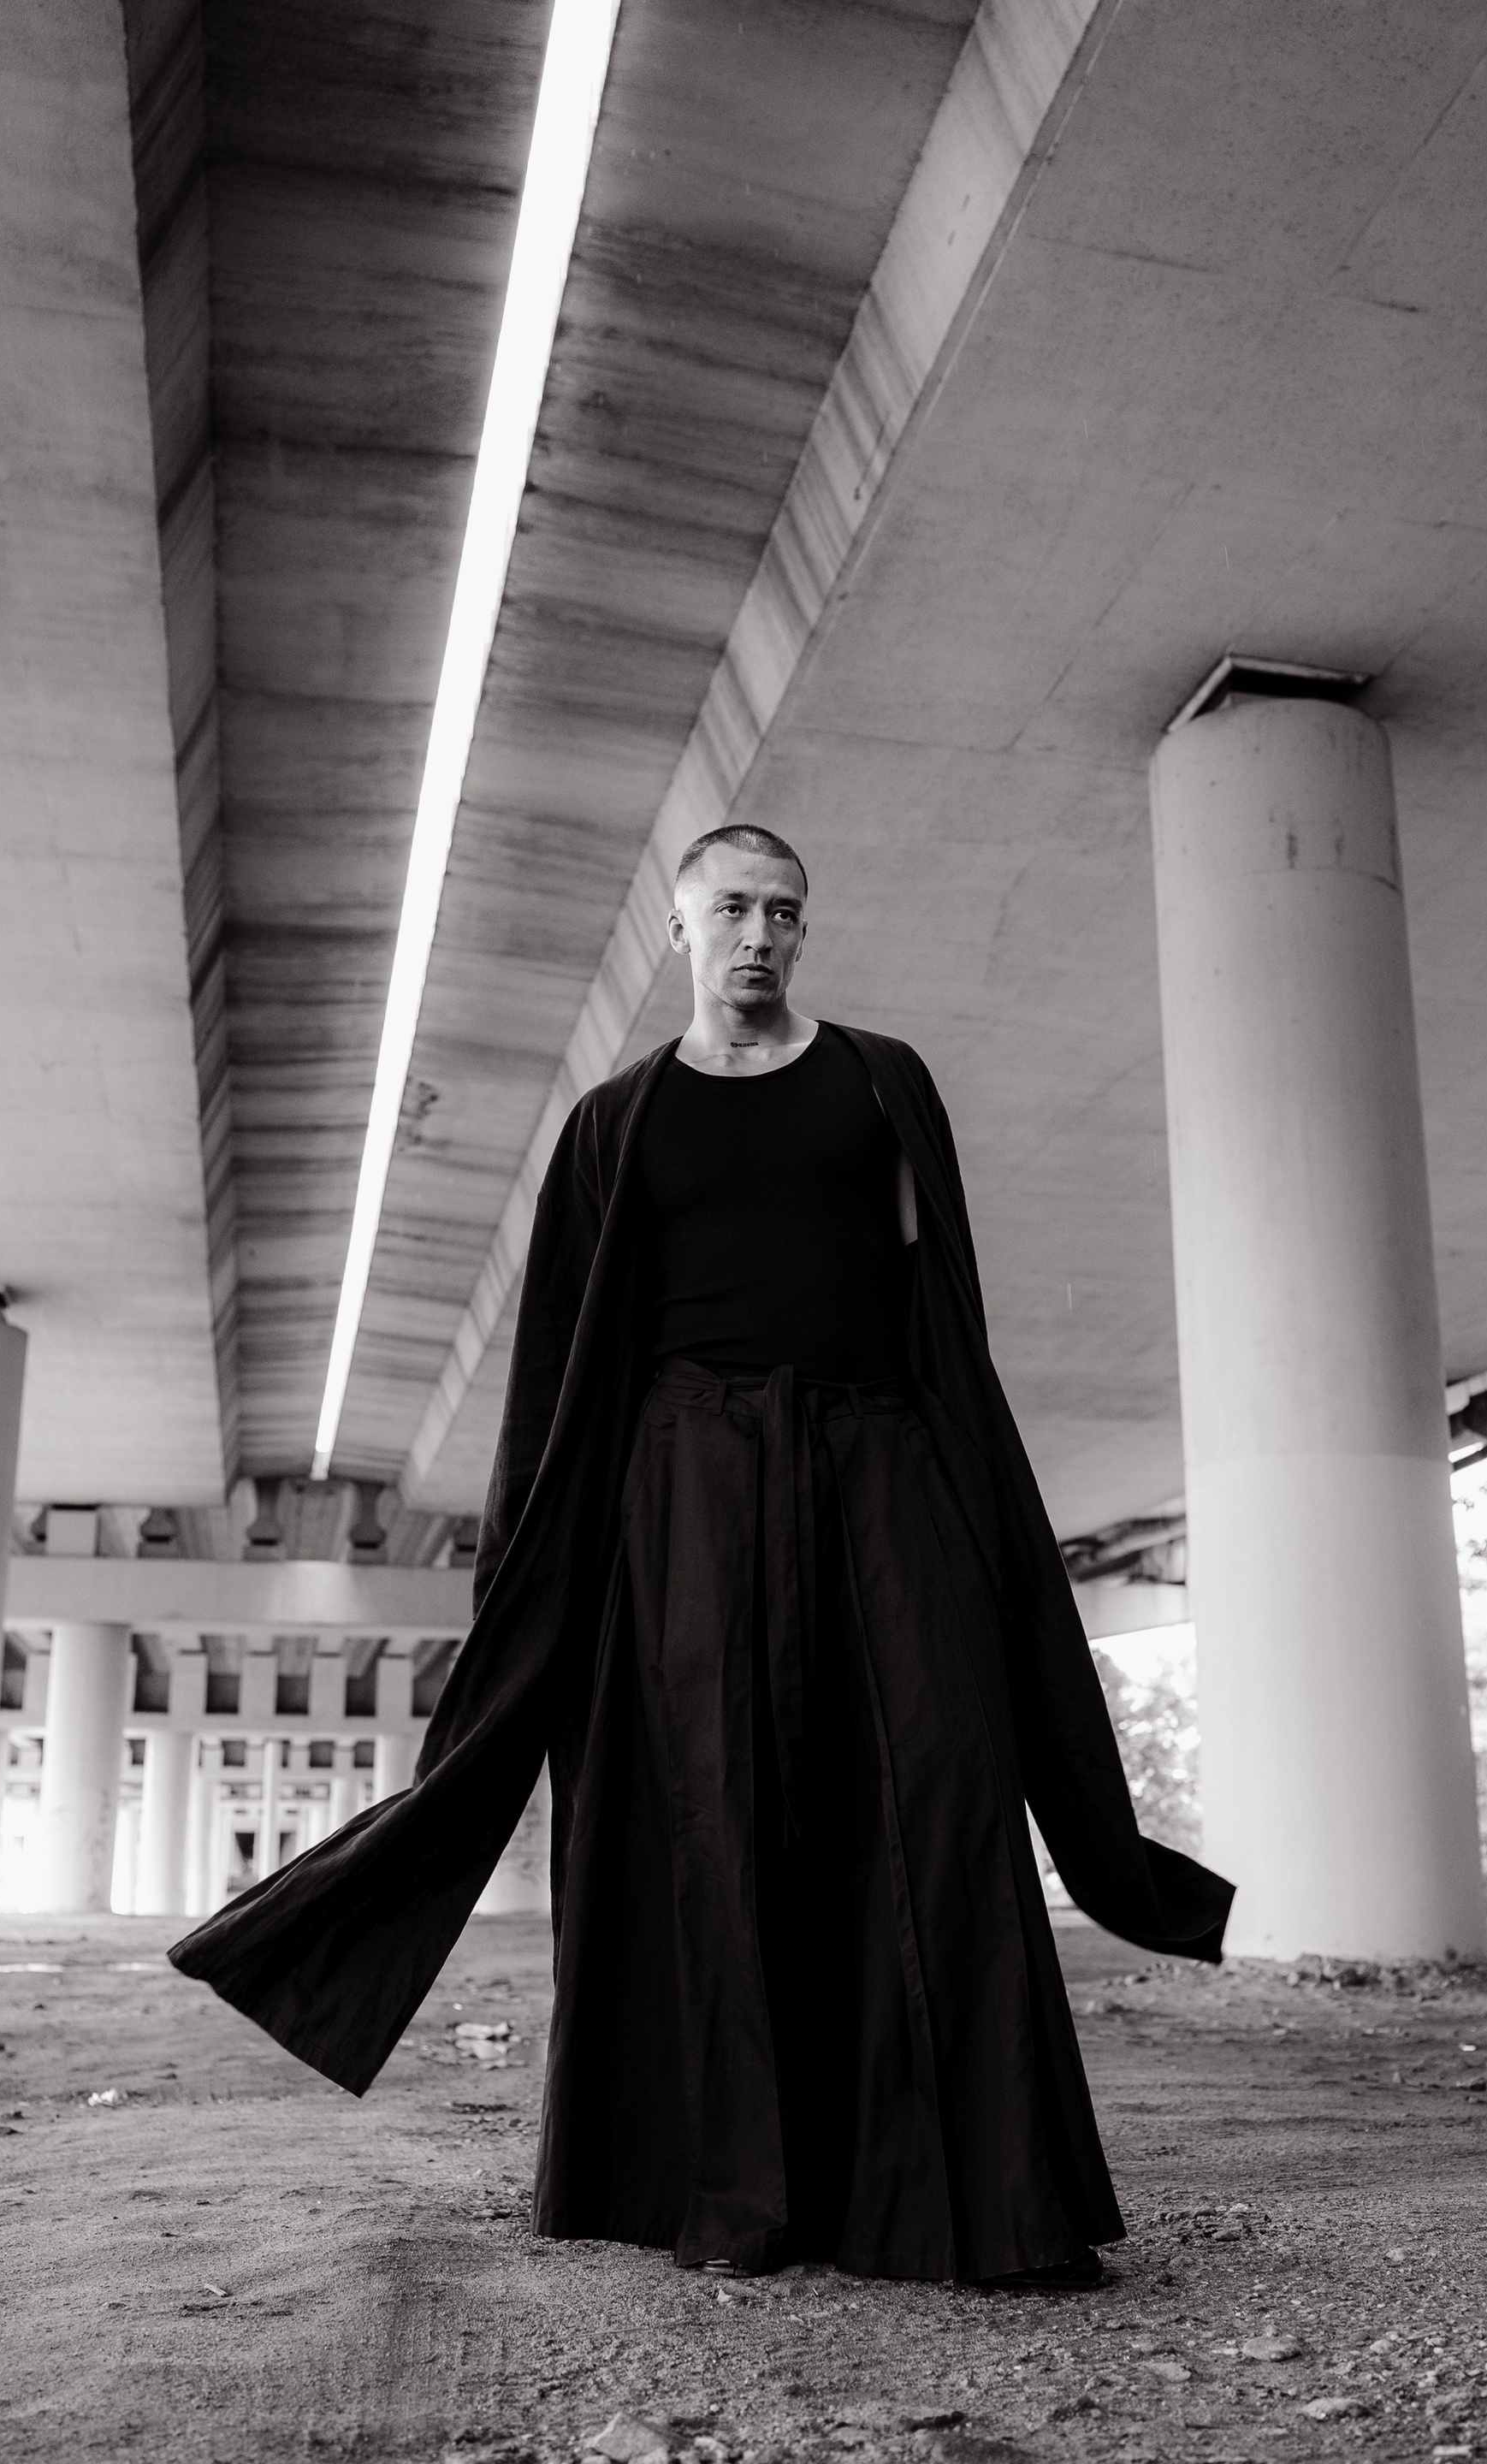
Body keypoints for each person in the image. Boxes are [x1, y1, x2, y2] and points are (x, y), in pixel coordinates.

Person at [170, 823, 1231, 2289]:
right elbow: (560, 1371)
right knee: (712, 1819)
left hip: (877, 1460)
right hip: (686, 1484)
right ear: (679, 928)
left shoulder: (883, 1080)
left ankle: (985, 2206)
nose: (759, 935)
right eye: (732, 908)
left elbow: (942, 1308)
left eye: (784, 912)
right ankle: (737, 2199)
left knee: (938, 1785)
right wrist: (550, 1560)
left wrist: (962, 1491)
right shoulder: (616, 1122)